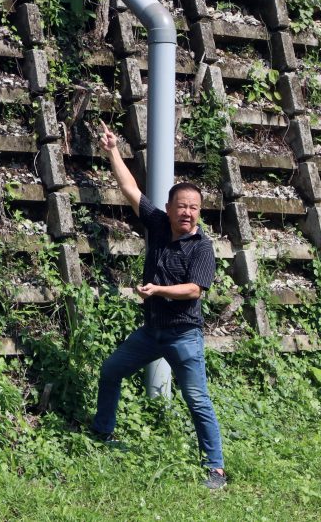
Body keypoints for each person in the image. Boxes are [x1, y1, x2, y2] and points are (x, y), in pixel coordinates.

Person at [91, 121, 227, 490]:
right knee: (111, 371)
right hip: (151, 333)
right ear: (168, 208)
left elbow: (196, 290)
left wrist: (158, 291)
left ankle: (215, 468)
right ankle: (102, 432)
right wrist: (112, 150)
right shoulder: (158, 224)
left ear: (199, 212)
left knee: (197, 399)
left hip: (184, 334)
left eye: (194, 208)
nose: (188, 213)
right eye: (182, 206)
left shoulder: (202, 247)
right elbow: (129, 189)